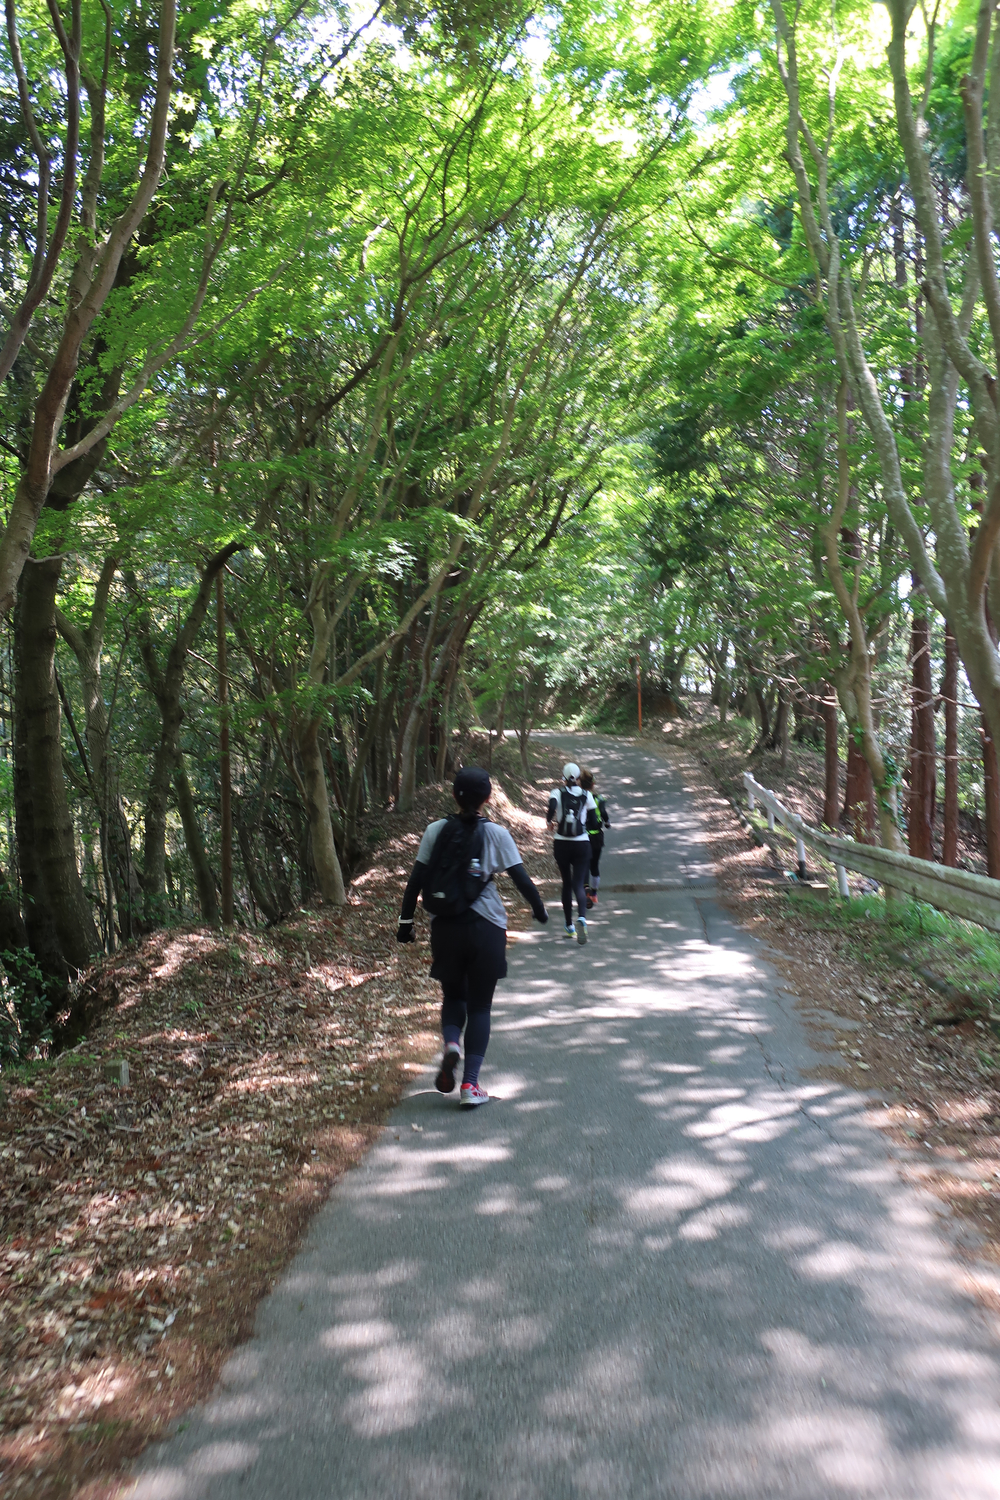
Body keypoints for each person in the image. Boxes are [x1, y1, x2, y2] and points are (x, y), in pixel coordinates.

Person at [396, 766, 548, 1108]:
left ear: (453, 795)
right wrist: (539, 910)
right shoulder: (497, 834)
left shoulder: (435, 830)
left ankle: (452, 1044)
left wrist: (405, 923)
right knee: (480, 1006)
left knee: (454, 997)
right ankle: (470, 1085)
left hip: (445, 927)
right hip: (486, 928)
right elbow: (522, 880)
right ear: (488, 798)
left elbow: (416, 880)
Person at [546, 762, 597, 944]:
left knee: (566, 883)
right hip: (581, 843)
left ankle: (569, 925)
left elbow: (552, 806)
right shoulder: (586, 795)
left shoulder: (557, 792)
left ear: (563, 776)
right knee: (579, 884)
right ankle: (582, 917)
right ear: (578, 777)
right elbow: (593, 821)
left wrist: (549, 821)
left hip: (561, 843)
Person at [579, 766, 611, 908]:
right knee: (595, 865)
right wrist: (607, 822)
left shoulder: (578, 798)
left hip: (582, 836)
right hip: (597, 836)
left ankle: (585, 888)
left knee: (584, 864)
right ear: (593, 784)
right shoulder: (599, 799)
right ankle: (594, 893)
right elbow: (603, 813)